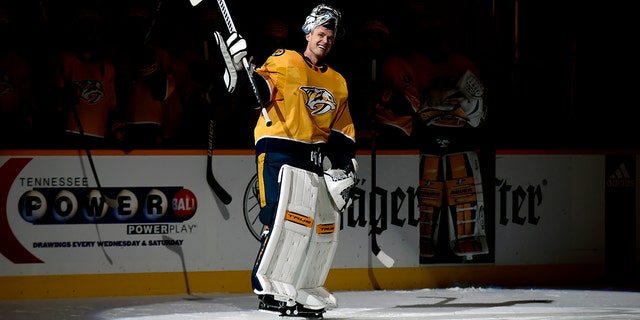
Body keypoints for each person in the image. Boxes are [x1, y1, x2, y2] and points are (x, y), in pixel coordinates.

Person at [216, 3, 356, 318]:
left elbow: (342, 132)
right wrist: (240, 71)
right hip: (280, 147)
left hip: (315, 156)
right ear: (308, 33)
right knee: (283, 218)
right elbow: (257, 94)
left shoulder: (338, 81)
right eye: (321, 33)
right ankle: (269, 283)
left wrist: (345, 166)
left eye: (330, 37)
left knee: (319, 226)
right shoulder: (286, 59)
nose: (325, 40)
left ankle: (305, 286)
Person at [407, 20, 490, 262]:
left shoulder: (464, 65)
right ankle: (424, 239)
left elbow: (478, 112)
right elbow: (412, 105)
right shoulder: (413, 65)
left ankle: (468, 239)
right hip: (428, 141)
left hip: (460, 140)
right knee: (427, 195)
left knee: (464, 193)